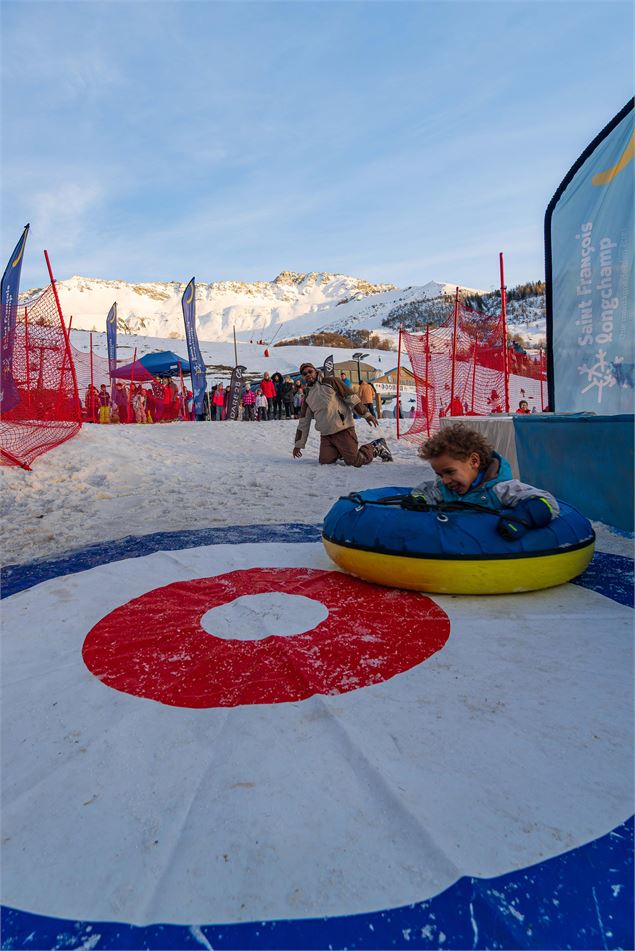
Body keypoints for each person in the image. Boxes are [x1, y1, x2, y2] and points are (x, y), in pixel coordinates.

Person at [411, 423, 559, 540]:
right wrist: (419, 501)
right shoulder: (443, 489)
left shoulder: (500, 489)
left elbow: (547, 501)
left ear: (474, 461)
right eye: (439, 474)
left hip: (489, 550)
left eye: (450, 472)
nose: (445, 480)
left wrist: (522, 518)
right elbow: (426, 490)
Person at [292, 362, 392, 466]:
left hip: (343, 429)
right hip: (326, 435)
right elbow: (304, 421)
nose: (308, 374)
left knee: (355, 461)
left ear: (316, 371)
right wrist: (298, 444)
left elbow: (351, 398)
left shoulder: (331, 381)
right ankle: (341, 450)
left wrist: (366, 414)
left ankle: (377, 446)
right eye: (304, 373)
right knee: (325, 462)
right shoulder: (307, 395)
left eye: (310, 371)